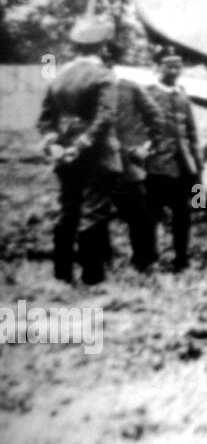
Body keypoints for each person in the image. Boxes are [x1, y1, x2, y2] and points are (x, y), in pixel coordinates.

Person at [35, 17, 122, 285]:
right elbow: (105, 117)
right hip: (96, 155)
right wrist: (82, 144)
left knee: (68, 211)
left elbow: (45, 119)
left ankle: (62, 272)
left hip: (64, 153)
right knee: (94, 212)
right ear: (103, 45)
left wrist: (56, 144)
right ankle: (92, 276)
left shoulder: (58, 75)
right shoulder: (103, 76)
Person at [107, 42, 165, 273]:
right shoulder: (86, 90)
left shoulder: (130, 88)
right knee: (92, 215)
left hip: (126, 161)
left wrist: (146, 145)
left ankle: (144, 260)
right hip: (95, 162)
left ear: (112, 62)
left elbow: (156, 118)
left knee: (140, 214)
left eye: (106, 59)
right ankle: (98, 260)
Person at [145, 47, 202, 272]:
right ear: (156, 67)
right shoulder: (148, 94)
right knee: (152, 215)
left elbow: (192, 130)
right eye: (169, 65)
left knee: (183, 214)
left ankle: (181, 258)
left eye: (178, 65)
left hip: (182, 166)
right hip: (156, 165)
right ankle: (149, 259)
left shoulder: (182, 95)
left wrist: (197, 160)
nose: (174, 70)